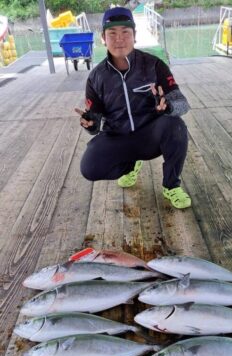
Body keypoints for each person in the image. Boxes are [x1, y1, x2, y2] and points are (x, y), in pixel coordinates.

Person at [75, 7, 191, 209]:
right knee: (89, 168)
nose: (119, 39)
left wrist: (168, 106)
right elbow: (95, 122)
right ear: (103, 38)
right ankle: (130, 164)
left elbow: (182, 103)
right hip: (118, 136)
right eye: (112, 33)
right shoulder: (95, 77)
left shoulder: (154, 65)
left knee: (176, 126)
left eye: (125, 32)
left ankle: (171, 185)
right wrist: (90, 124)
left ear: (134, 36)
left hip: (150, 135)